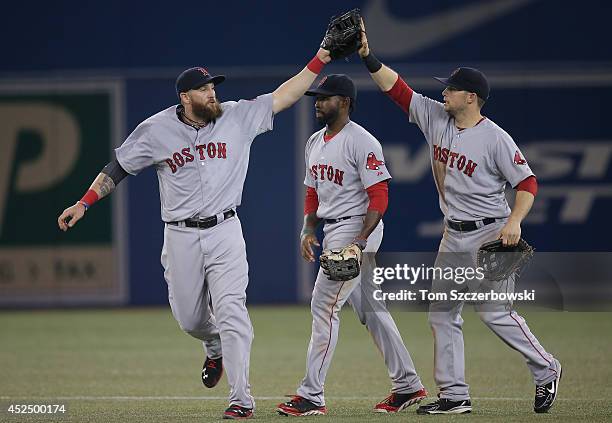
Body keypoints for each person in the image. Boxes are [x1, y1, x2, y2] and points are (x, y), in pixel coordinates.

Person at [57, 46, 333, 420]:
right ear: (185, 98)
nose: (212, 94)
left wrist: (323, 57)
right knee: (190, 319)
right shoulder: (156, 129)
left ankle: (241, 399)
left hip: (226, 230)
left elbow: (286, 93)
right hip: (180, 235)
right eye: (203, 90)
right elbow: (118, 167)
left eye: (213, 87)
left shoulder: (236, 116)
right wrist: (84, 202)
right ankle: (213, 345)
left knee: (233, 310)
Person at [357, 22, 562, 415]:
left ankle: (546, 367)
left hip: (491, 235)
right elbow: (396, 90)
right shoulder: (435, 117)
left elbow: (528, 182)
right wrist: (367, 56)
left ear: (471, 97)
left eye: (450, 88)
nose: (443, 92)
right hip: (454, 236)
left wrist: (515, 221)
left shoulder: (495, 137)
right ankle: (454, 395)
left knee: (494, 312)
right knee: (442, 314)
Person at [276, 74, 427, 417]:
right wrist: (307, 229)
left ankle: (312, 394)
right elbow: (312, 191)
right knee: (372, 310)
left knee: (323, 306)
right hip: (333, 230)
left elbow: (379, 196)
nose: (317, 101)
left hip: (357, 230)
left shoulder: (363, 142)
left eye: (325, 97)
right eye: (317, 96)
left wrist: (360, 242)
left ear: (344, 102)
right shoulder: (314, 141)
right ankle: (407, 384)